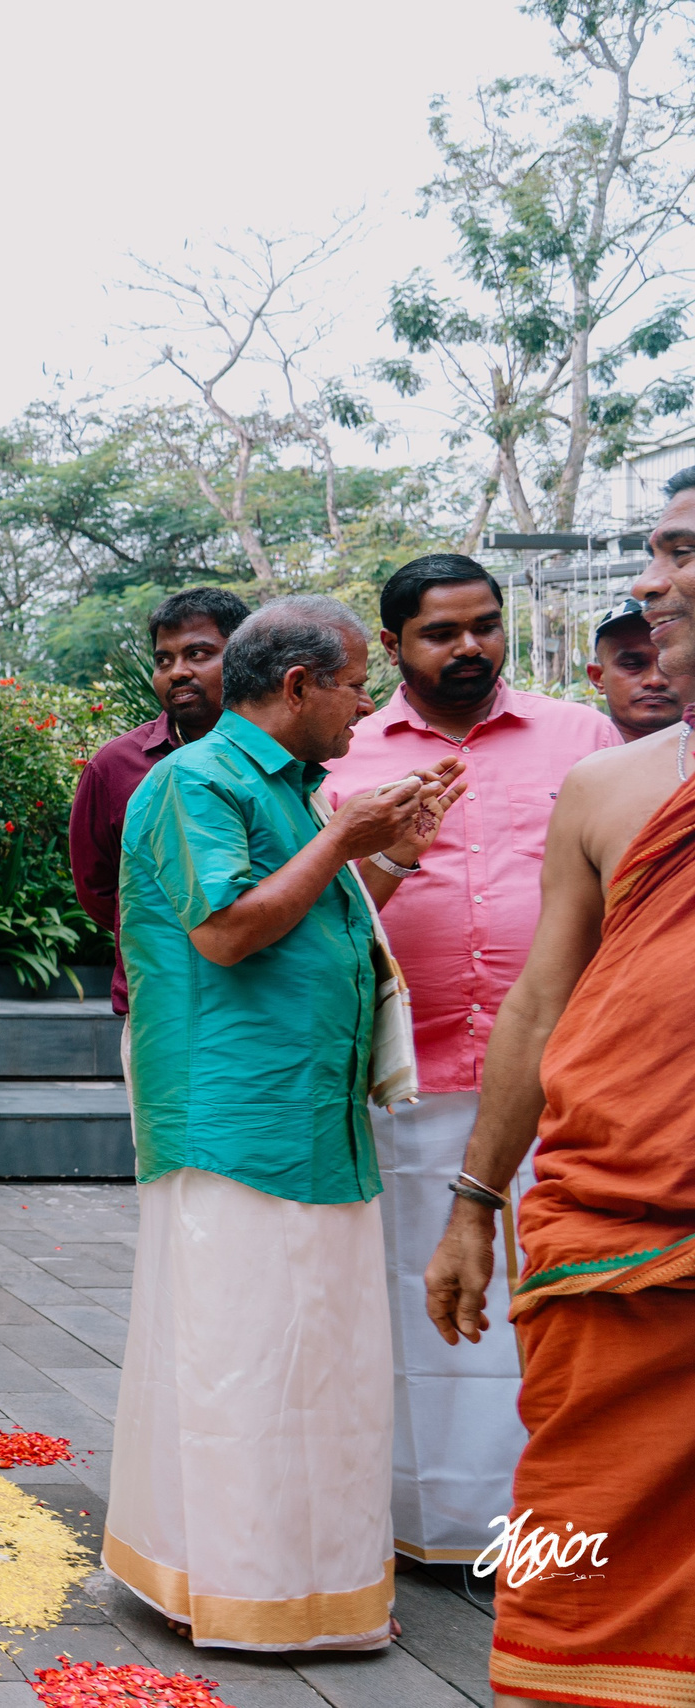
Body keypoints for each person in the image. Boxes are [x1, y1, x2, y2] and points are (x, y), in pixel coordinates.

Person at [104, 594, 462, 1651]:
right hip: (235, 1124)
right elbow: (225, 932)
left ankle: (318, 1587)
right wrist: (348, 833)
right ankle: (246, 1594)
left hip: (312, 1118)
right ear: (298, 683)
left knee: (324, 1368)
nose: (369, 704)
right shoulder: (193, 782)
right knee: (245, 1367)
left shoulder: (299, 795)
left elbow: (316, 924)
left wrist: (386, 856)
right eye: (356, 682)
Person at [425, 468, 695, 1706]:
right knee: (563, 1551)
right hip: (608, 1239)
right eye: (652, 554)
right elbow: (539, 1003)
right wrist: (474, 1200)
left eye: (679, 553)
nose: (647, 588)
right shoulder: (611, 786)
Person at [313, 554, 616, 1569]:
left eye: (484, 625)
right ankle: (420, 1530)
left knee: (545, 1306)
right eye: (441, 633)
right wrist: (389, 847)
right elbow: (322, 917)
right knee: (417, 1302)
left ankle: (539, 1534)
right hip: (408, 1074)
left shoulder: (581, 739)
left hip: (559, 1074)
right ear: (392, 643)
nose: (471, 647)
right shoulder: (342, 753)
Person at [66, 586, 252, 1018]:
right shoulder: (115, 766)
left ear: (246, 655)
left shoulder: (284, 753)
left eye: (199, 654)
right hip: (162, 1004)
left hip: (264, 998)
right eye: (163, 660)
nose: (177, 672)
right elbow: (98, 891)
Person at [583, 596, 683, 738]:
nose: (655, 680)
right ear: (598, 677)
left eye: (674, 663)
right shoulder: (574, 756)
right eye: (632, 665)